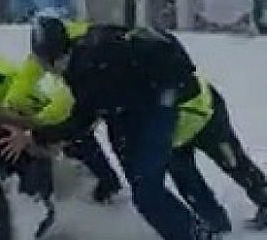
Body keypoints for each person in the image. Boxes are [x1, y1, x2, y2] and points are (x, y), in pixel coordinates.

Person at [19, 16, 221, 240]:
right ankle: (209, 224)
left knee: (148, 195)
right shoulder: (88, 50)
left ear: (50, 56)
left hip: (156, 111)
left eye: (41, 62)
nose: (43, 69)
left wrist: (38, 136)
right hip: (140, 110)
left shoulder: (86, 66)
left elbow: (81, 120)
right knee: (151, 183)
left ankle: (197, 235)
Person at [0, 51, 122, 203]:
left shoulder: (1, 72)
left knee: (77, 142)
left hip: (34, 111)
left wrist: (24, 122)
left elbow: (22, 95)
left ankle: (109, 183)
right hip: (6, 119)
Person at [169, 75, 267, 233]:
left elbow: (187, 82)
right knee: (186, 178)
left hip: (206, 117)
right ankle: (213, 221)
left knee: (234, 162)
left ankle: (263, 198)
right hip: (173, 134)